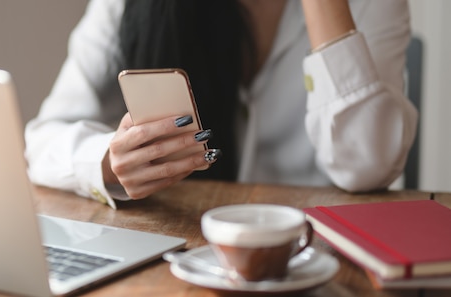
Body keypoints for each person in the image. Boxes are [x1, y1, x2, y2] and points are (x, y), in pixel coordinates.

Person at [24, 0, 418, 209]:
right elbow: (42, 139)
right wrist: (109, 163)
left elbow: (368, 166)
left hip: (312, 257)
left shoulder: (372, 4)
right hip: (177, 247)